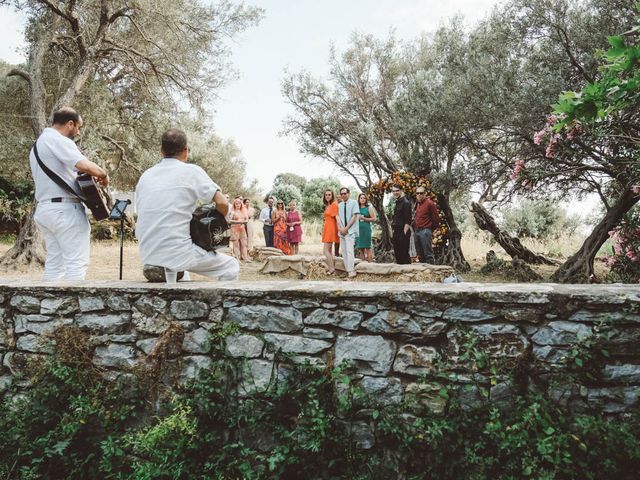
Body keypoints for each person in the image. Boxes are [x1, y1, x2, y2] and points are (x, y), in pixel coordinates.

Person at [135, 128, 239, 280]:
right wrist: (224, 218)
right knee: (231, 266)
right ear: (186, 151)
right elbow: (222, 202)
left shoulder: (146, 176)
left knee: (184, 277)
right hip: (178, 253)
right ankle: (223, 304)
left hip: (148, 255)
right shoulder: (191, 171)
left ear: (161, 151)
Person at [29, 107, 109, 281]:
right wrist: (103, 174)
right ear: (69, 123)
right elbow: (84, 165)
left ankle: (49, 306)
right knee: (76, 263)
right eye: (78, 127)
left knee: (54, 264)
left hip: (45, 210)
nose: (78, 132)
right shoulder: (58, 140)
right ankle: (74, 306)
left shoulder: (38, 144)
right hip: (64, 211)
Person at [337, 187, 360, 278]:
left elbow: (354, 216)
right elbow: (337, 217)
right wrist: (341, 229)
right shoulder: (340, 205)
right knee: (344, 251)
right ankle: (347, 270)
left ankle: (351, 270)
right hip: (342, 231)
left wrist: (346, 228)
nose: (343, 195)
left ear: (349, 193)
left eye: (345, 193)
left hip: (350, 230)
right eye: (342, 194)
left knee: (350, 250)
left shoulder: (354, 203)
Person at [413, 188, 440, 264]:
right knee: (420, 255)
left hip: (425, 231)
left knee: (428, 255)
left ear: (425, 194)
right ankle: (424, 274)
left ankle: (432, 273)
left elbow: (436, 218)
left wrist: (430, 229)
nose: (419, 195)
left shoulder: (430, 203)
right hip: (417, 231)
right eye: (417, 193)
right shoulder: (418, 204)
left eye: (421, 193)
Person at [391, 184, 412, 264]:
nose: (395, 193)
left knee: (404, 255)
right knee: (398, 254)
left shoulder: (406, 203)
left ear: (401, 191)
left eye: (397, 191)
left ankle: (407, 273)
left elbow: (408, 220)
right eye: (393, 191)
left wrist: (404, 233)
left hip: (403, 231)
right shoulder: (397, 202)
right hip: (396, 231)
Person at [321, 190, 339, 275]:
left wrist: (340, 229)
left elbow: (337, 218)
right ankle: (332, 269)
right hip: (327, 227)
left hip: (331, 228)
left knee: (325, 251)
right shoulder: (328, 205)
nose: (328, 196)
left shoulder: (334, 204)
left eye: (329, 195)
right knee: (329, 250)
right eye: (326, 195)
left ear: (332, 196)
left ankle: (332, 269)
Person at [228, 196, 252, 262]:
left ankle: (245, 258)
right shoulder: (232, 212)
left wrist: (243, 222)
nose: (238, 205)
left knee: (244, 243)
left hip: (242, 229)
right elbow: (229, 221)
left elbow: (246, 220)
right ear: (234, 204)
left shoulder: (243, 211)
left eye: (239, 203)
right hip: (235, 229)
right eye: (236, 204)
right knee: (236, 244)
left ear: (241, 204)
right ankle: (237, 258)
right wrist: (238, 222)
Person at [356, 193, 376, 262]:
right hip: (358, 230)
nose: (362, 199)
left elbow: (374, 219)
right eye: (361, 198)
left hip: (366, 230)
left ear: (366, 199)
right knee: (360, 248)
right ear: (359, 199)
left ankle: (370, 266)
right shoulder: (356, 208)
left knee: (368, 248)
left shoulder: (369, 208)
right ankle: (363, 266)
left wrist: (364, 219)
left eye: (364, 198)